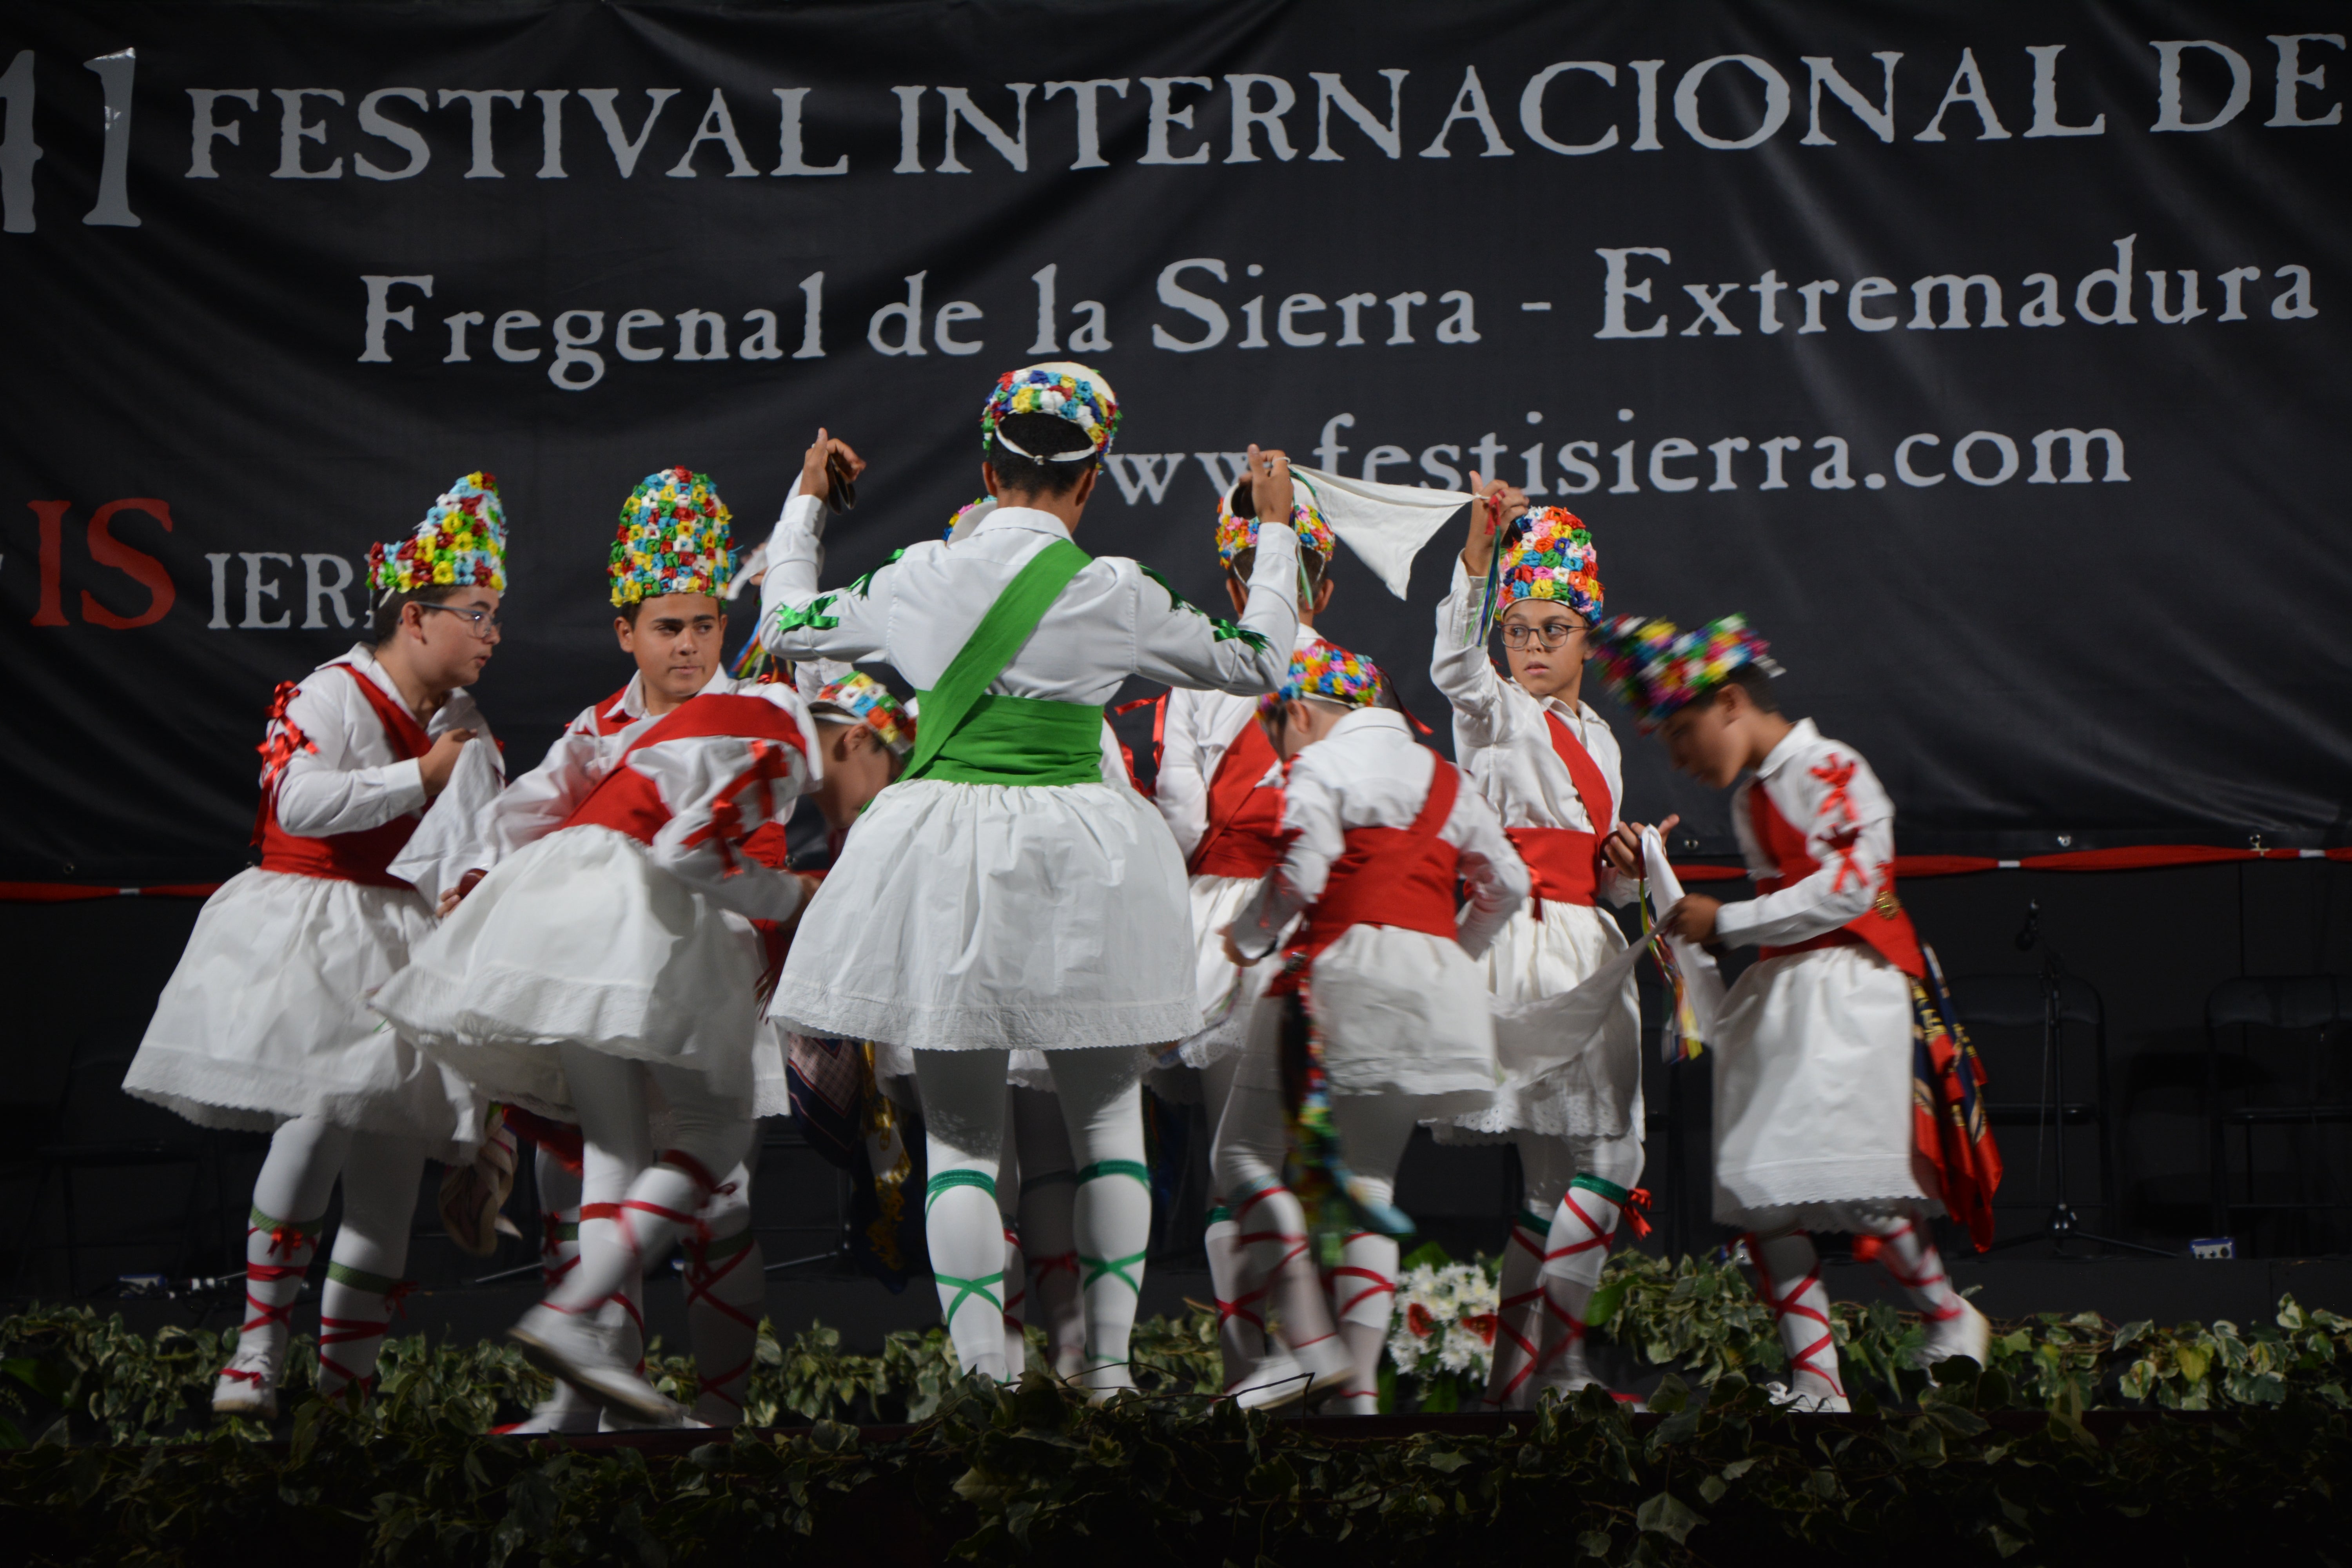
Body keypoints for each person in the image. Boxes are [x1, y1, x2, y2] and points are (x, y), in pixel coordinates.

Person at [755, 363, 1302, 1394]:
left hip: (944, 856)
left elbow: (784, 626)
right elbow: (1260, 658)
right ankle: (1101, 1374)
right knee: (1106, 1131)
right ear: (1090, 481)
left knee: (961, 1142)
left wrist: (808, 503)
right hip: (1086, 859)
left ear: (986, 467)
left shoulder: (921, 574)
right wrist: (1273, 529)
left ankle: (982, 1384)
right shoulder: (1117, 591)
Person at [374, 465, 825, 1424]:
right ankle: (587, 1409)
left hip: (715, 985)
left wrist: (805, 508)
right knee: (584, 1186)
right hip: (611, 972)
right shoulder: (598, 731)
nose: (692, 646)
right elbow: (519, 823)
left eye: (706, 624)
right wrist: (475, 893)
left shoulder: (751, 709)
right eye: (669, 627)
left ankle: (719, 1413)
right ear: (626, 631)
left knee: (721, 1205)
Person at [123, 474, 508, 1417]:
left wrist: (474, 890)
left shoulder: (466, 729)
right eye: (478, 614)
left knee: (389, 1169)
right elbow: (296, 801)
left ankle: (350, 1386)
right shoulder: (336, 693)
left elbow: (478, 840)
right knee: (317, 1121)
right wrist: (415, 775)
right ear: (416, 617)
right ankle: (258, 1347)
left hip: (405, 944)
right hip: (316, 931)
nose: (494, 634)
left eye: (498, 616)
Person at [1601, 614, 1992, 1411]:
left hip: (1852, 996)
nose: (1679, 758)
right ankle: (1819, 1377)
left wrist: (1732, 919)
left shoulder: (1829, 765)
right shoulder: (1756, 797)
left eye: (1683, 732)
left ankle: (1951, 1315)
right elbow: (1755, 911)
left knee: (1860, 1181)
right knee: (1763, 1190)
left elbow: (1855, 884)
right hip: (1791, 999)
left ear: (1733, 703)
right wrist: (1652, 881)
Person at [1216, 639, 1530, 1413]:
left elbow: (1303, 872)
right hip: (1432, 993)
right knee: (1369, 1181)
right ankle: (1356, 1395)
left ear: (1298, 712)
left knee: (1243, 1155)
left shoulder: (1322, 765)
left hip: (1336, 979)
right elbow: (1507, 884)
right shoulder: (1448, 779)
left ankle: (1309, 1340)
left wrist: (1247, 934)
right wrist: (1446, 953)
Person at [1430, 487, 1651, 1409]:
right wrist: (1479, 550)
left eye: (1551, 628)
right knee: (1613, 1158)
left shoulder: (1598, 735)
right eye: (1517, 628)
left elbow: (1604, 879)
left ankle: (1512, 1382)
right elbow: (1454, 665)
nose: (1530, 645)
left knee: (1560, 1175)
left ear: (1585, 636)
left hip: (1588, 942)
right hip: (1530, 946)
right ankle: (1553, 1368)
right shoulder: (1497, 713)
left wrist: (1629, 868)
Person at [1151, 474, 1339, 1396]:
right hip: (1326, 926)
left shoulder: (1196, 682)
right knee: (1305, 1159)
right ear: (1325, 587)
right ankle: (1320, 1362)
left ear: (1235, 589)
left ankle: (1258, 1359)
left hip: (1228, 919)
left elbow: (1181, 819)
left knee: (1240, 1158)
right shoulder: (1350, 678)